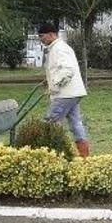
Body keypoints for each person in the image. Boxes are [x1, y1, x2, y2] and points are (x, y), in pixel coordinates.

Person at [38, 23, 90, 157]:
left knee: (50, 121)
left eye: (42, 36)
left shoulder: (59, 48)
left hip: (65, 94)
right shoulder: (56, 48)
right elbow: (58, 69)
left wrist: (54, 84)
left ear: (51, 34)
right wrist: (48, 81)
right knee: (75, 123)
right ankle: (83, 155)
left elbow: (68, 70)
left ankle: (53, 152)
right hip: (73, 92)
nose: (40, 39)